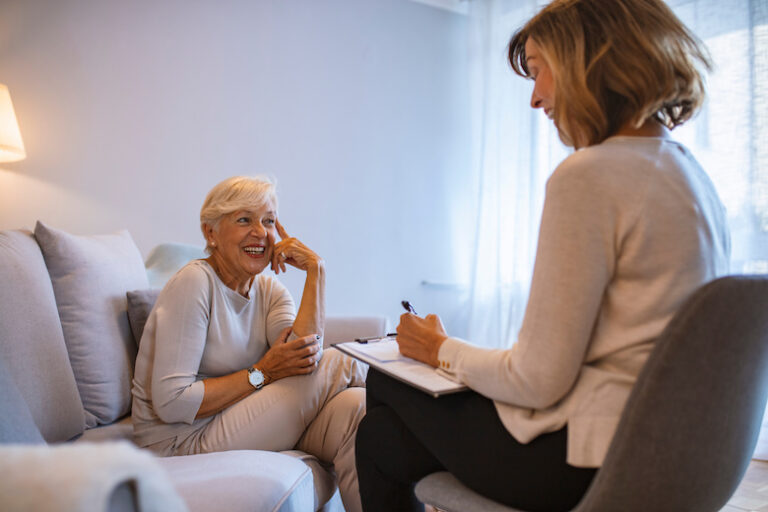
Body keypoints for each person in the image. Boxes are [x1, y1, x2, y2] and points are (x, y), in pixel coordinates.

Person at [355, 0, 731, 511]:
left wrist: (440, 348)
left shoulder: (590, 174)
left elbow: (535, 380)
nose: (535, 99)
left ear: (589, 60)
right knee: (380, 438)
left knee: (385, 378)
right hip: (673, 454)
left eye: (538, 72)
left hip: (584, 461)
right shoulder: (692, 177)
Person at [132, 175, 367, 512]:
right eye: (244, 220)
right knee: (343, 363)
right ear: (211, 233)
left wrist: (316, 272)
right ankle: (428, 415)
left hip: (238, 420)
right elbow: (172, 403)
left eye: (268, 221)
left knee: (356, 408)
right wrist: (263, 373)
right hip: (179, 439)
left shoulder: (269, 291)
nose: (261, 232)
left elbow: (303, 361)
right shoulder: (195, 283)